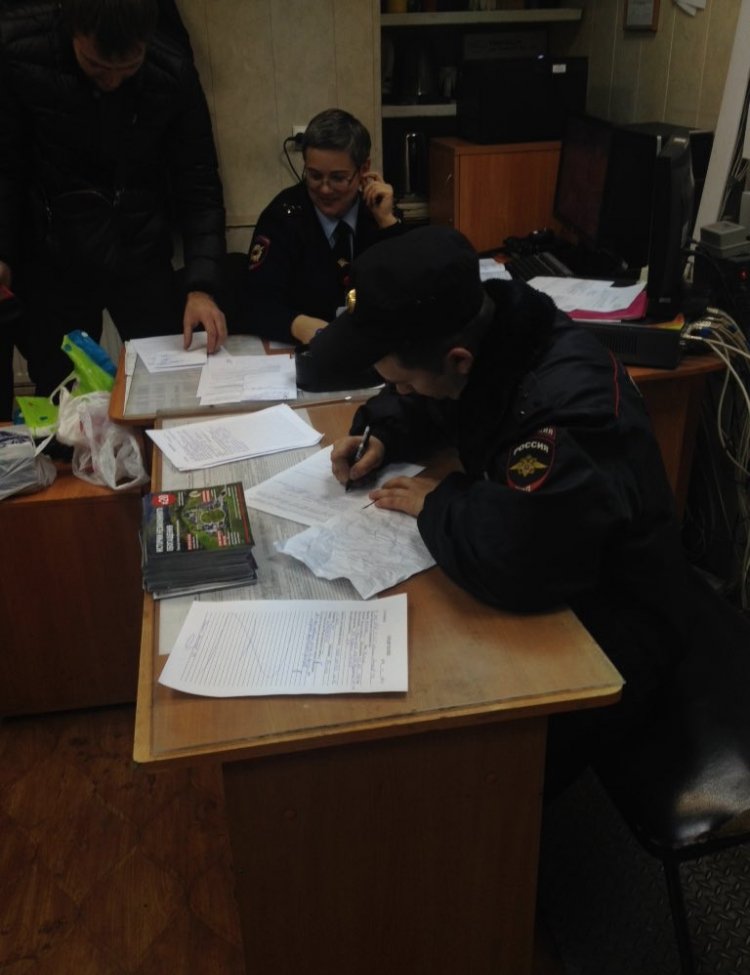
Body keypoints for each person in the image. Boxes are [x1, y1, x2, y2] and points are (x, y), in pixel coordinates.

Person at [311, 224, 691, 792]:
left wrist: (440, 501)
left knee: (450, 760)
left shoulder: (568, 409)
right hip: (565, 575)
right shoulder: (493, 337)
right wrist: (384, 432)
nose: (399, 391)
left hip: (615, 629)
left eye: (402, 384)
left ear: (459, 359)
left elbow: (522, 559)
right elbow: (440, 400)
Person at [0, 0, 227, 400]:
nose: (112, 82)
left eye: (128, 68)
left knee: (172, 388)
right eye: (97, 66)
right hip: (53, 254)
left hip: (139, 246)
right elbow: (6, 168)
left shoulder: (171, 68)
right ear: (71, 28)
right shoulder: (19, 51)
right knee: (64, 395)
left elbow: (199, 184)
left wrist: (201, 287)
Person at [243, 108, 404, 347]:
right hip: (303, 350)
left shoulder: (378, 212)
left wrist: (388, 224)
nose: (325, 189)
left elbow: (409, 294)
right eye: (315, 176)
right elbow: (255, 302)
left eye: (338, 178)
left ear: (363, 170)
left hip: (372, 349)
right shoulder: (282, 218)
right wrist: (296, 324)